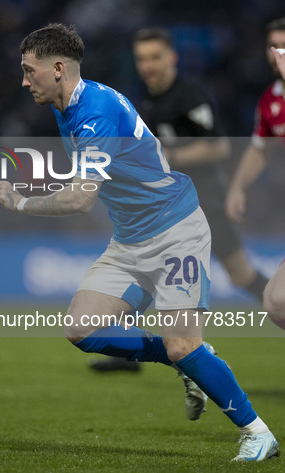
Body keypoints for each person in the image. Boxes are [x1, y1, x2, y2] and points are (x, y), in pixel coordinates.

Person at [0, 23, 279, 461]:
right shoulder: (65, 101)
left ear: (57, 69)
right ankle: (181, 361)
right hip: (130, 239)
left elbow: (81, 198)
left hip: (175, 231)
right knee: (81, 329)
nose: (25, 80)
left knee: (184, 343)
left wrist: (20, 202)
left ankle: (258, 432)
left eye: (29, 71)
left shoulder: (95, 112)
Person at [91, 27, 270, 374]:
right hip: (163, 207)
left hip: (205, 204)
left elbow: (218, 146)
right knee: (143, 272)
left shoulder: (190, 96)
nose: (148, 65)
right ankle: (124, 351)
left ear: (171, 57)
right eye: (142, 59)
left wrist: (167, 155)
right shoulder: (141, 99)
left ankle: (278, 307)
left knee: (240, 273)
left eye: (155, 57)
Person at [226, 18, 285, 328]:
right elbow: (260, 148)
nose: (278, 53)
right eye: (272, 46)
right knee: (276, 302)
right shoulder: (271, 101)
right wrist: (238, 187)